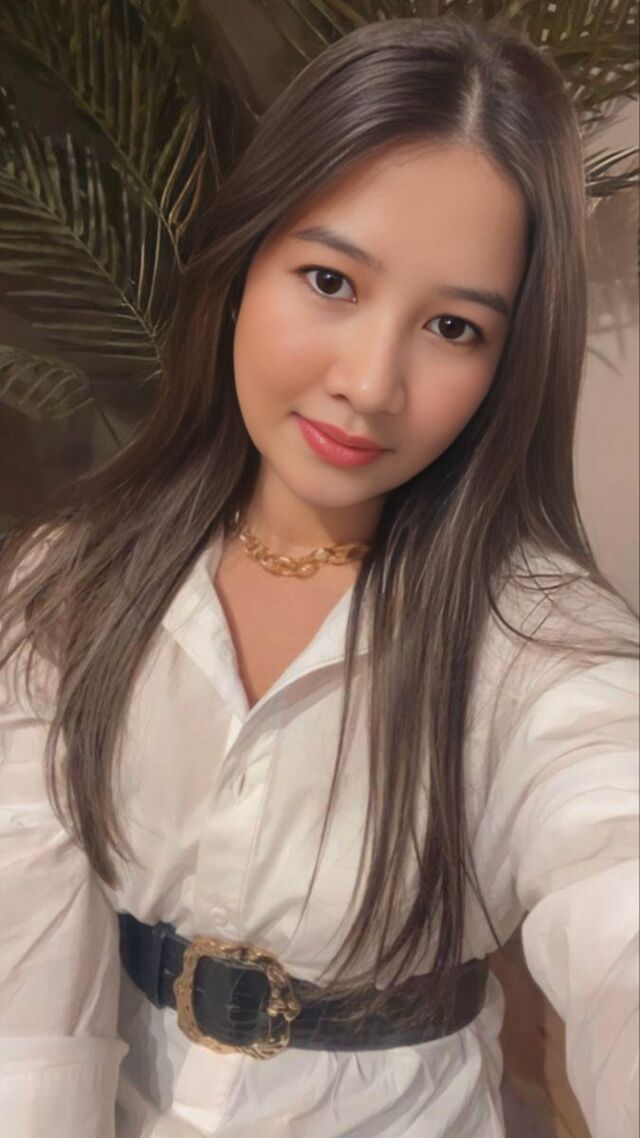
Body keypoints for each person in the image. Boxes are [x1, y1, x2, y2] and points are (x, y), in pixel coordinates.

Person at [0, 14, 638, 1138]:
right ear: (243, 262)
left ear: (508, 363)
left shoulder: (540, 648)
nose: (370, 382)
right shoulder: (75, 582)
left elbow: (613, 864)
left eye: (453, 327)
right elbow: (29, 1000)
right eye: (331, 279)